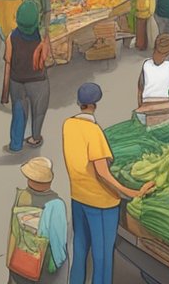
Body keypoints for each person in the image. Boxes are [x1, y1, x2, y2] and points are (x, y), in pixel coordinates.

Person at [63, 83, 154, 284]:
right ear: (95, 104)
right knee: (102, 257)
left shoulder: (68, 125)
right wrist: (131, 192)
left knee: (80, 250)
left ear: (79, 103)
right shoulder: (94, 132)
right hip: (102, 204)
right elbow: (103, 174)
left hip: (78, 198)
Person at [6, 157, 68, 284]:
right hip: (41, 268)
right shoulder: (56, 204)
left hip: (18, 262)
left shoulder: (21, 196)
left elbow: (13, 231)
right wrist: (57, 264)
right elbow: (58, 245)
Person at [2, 1, 51, 153]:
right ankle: (35, 137)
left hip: (17, 82)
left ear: (18, 19)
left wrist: (5, 92)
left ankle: (16, 144)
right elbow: (47, 60)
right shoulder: (42, 38)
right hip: (38, 82)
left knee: (18, 112)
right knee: (39, 111)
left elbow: (8, 63)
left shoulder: (11, 37)